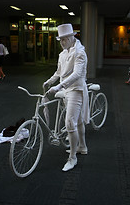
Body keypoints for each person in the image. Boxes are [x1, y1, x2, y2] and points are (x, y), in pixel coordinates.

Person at [43, 23, 90, 172]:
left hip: (76, 89)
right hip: (67, 89)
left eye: (64, 39)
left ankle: (73, 158)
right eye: (60, 40)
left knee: (70, 122)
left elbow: (76, 74)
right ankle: (82, 146)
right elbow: (58, 72)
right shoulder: (62, 54)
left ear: (71, 37)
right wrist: (49, 81)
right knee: (78, 121)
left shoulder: (80, 52)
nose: (62, 43)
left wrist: (58, 86)